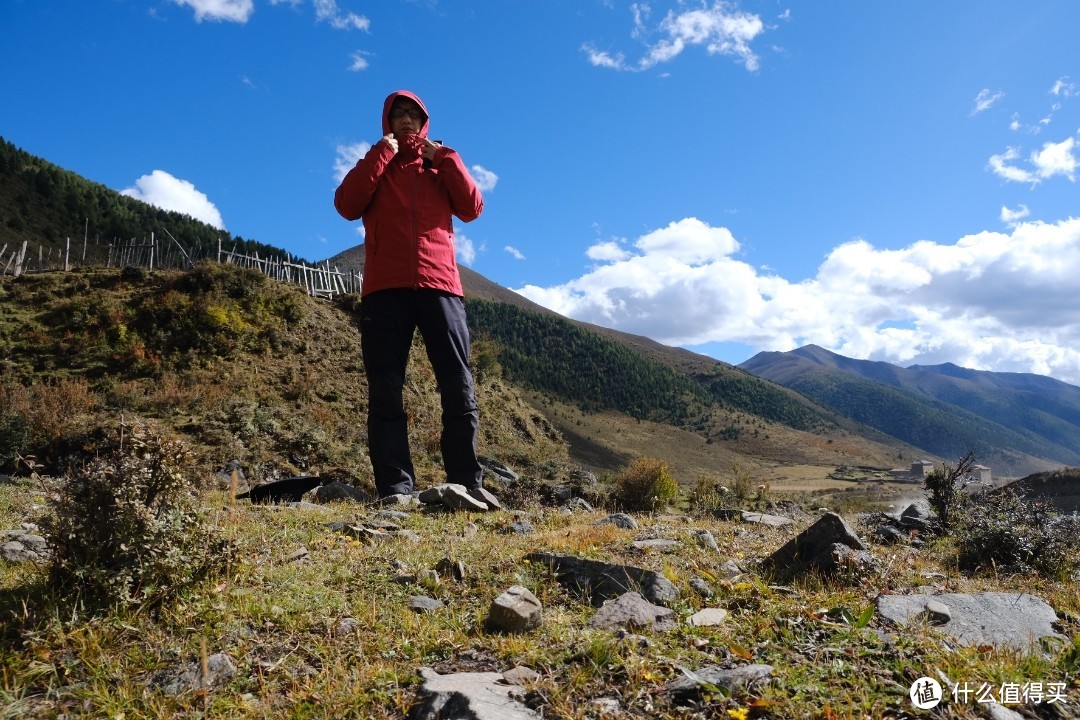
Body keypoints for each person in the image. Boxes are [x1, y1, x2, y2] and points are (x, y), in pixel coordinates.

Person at [334, 89, 499, 509]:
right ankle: (395, 487)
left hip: (440, 284)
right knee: (386, 387)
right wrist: (380, 154)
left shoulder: (438, 164)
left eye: (414, 114)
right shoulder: (378, 163)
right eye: (398, 114)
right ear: (387, 121)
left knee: (458, 383)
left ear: (424, 122)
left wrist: (444, 157)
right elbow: (346, 204)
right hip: (384, 289)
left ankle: (466, 481)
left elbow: (472, 207)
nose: (406, 120)